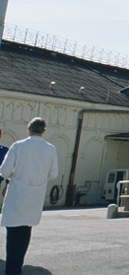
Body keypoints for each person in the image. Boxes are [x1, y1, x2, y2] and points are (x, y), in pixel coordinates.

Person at [0, 118, 58, 275]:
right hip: (35, 197)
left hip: (17, 196)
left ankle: (12, 271)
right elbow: (53, 173)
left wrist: (16, 175)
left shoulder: (18, 146)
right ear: (43, 131)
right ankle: (17, 267)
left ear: (29, 129)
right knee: (25, 233)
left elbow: (4, 171)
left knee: (13, 236)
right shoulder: (50, 148)